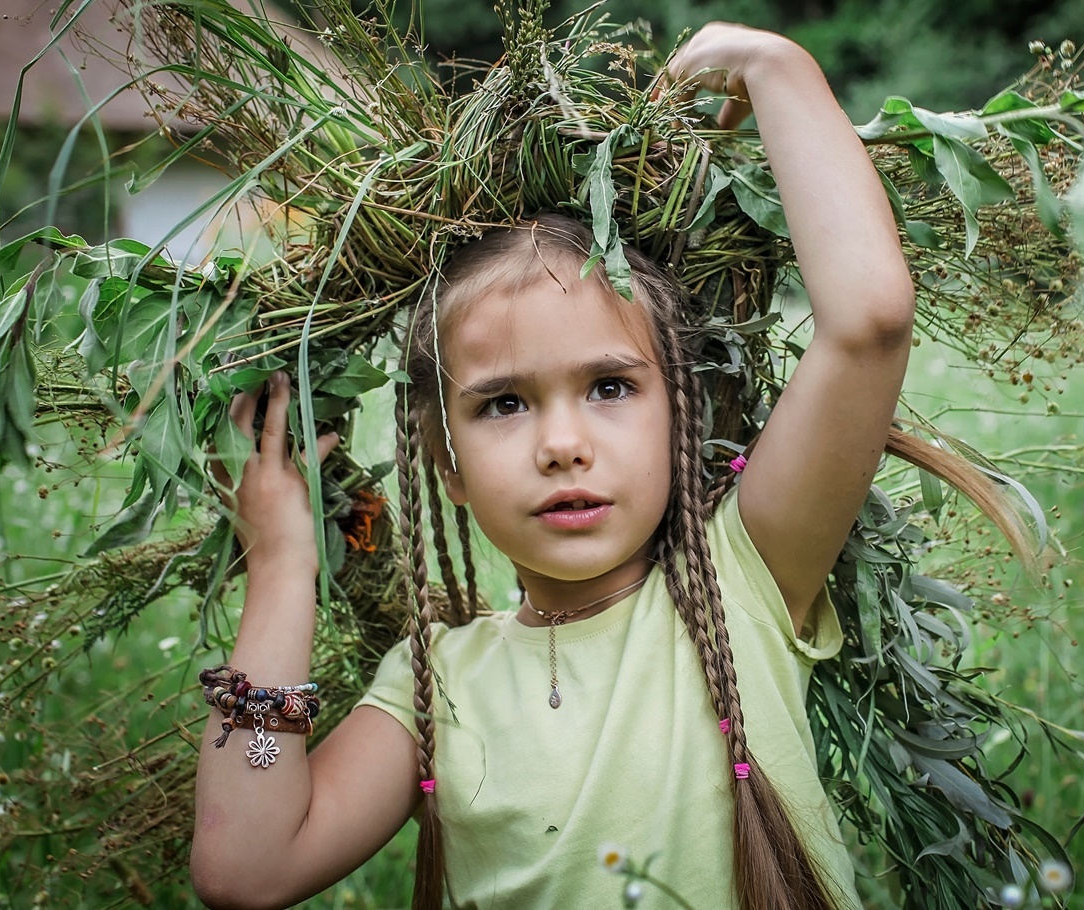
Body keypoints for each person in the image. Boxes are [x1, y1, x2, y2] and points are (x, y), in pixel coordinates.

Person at [190, 21, 1022, 910]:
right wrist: (281, 567)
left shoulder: (745, 574)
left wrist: (769, 63)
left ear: (682, 414)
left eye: (610, 387)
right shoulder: (438, 683)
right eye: (503, 404)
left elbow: (867, 321)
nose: (561, 442)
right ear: (446, 461)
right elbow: (248, 870)